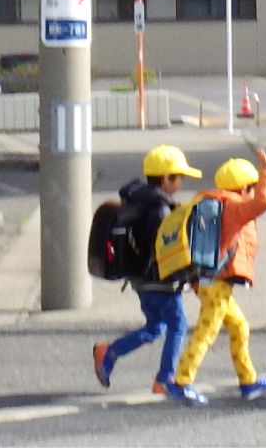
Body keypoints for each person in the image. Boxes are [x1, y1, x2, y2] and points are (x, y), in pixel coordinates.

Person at [92, 145, 209, 406]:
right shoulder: (160, 210)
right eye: (179, 177)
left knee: (156, 327)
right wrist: (187, 272)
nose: (181, 183)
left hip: (140, 278)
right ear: (166, 179)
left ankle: (109, 352)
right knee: (177, 324)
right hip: (159, 280)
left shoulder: (139, 201)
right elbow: (165, 247)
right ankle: (165, 378)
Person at [172, 149, 266, 401]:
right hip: (217, 281)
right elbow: (262, 203)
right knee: (206, 331)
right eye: (251, 187)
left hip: (206, 279)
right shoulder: (233, 207)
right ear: (242, 189)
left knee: (239, 327)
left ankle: (248, 380)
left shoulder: (208, 202)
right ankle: (181, 381)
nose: (252, 191)